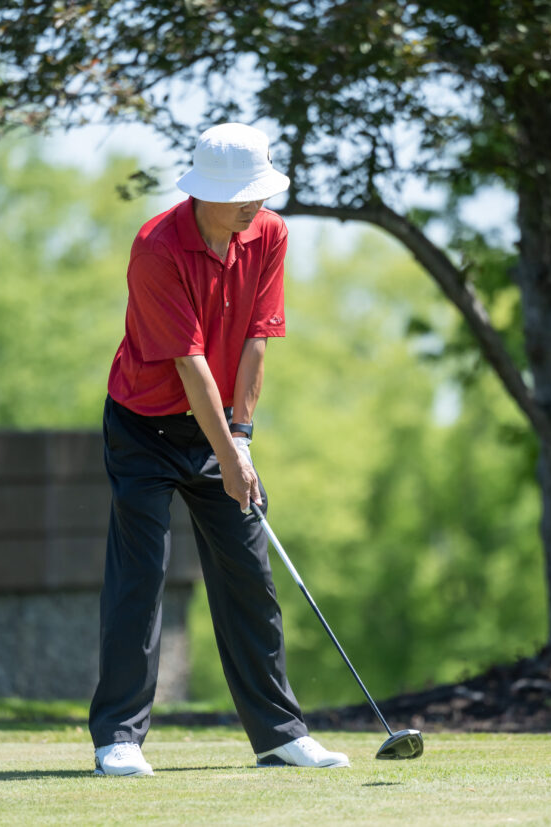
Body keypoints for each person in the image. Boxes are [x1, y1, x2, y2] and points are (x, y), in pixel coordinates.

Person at [89, 123, 349, 777]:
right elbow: (191, 363)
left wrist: (241, 439)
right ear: (206, 193)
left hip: (219, 430)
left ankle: (280, 734)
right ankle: (118, 737)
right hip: (144, 428)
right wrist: (229, 456)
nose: (256, 204)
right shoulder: (156, 246)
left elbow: (257, 339)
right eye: (243, 195)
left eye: (260, 192)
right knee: (141, 576)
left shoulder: (269, 233)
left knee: (249, 575)